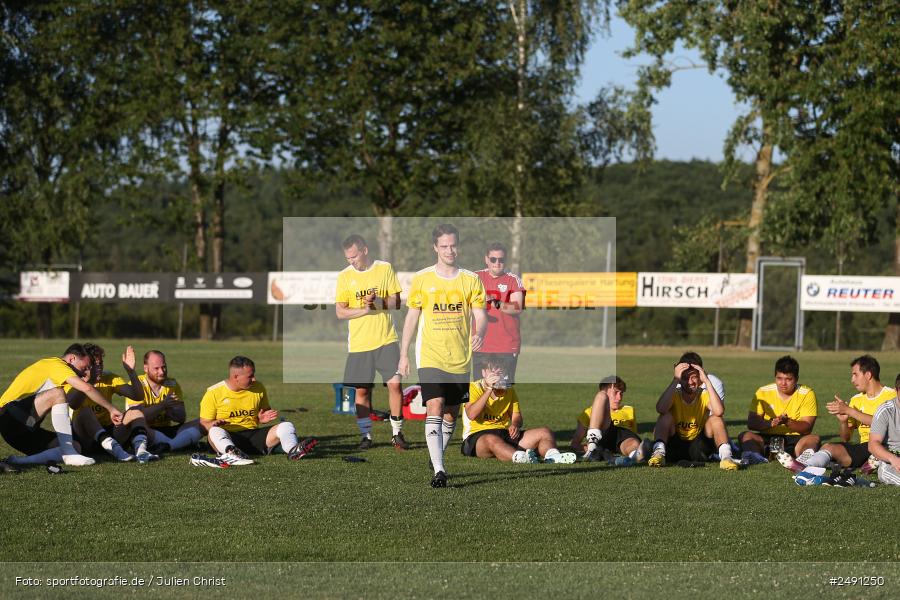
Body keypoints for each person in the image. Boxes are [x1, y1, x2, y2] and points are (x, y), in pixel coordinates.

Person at [398, 223, 488, 488]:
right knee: (434, 404)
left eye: (453, 245)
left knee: (451, 413)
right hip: (430, 356)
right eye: (444, 246)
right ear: (435, 247)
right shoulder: (423, 278)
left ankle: (436, 454)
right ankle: (439, 469)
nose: (450, 250)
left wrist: (479, 331)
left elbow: (480, 315)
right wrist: (403, 354)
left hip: (460, 358)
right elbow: (412, 318)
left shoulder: (471, 279)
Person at [335, 234, 408, 450]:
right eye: (348, 258)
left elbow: (397, 302)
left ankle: (397, 433)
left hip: (386, 339)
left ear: (364, 250)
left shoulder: (384, 268)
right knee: (362, 391)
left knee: (395, 385)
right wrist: (365, 309)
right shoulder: (344, 276)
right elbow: (340, 311)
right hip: (359, 344)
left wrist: (378, 302)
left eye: (354, 256)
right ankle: (366, 436)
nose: (352, 261)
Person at [1, 343, 123, 467]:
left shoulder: (60, 374)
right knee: (57, 394)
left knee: (76, 446)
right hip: (9, 417)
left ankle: (19, 461)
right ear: (72, 359)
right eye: (85, 367)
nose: (86, 372)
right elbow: (87, 389)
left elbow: (72, 401)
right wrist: (111, 409)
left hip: (22, 432)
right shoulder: (56, 365)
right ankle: (68, 453)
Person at [199, 356, 318, 465]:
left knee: (287, 426)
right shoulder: (213, 393)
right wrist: (212, 424)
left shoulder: (258, 387)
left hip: (253, 436)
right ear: (236, 377)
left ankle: (293, 450)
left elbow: (265, 411)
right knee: (214, 431)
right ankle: (231, 452)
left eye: (253, 374)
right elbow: (203, 425)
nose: (254, 379)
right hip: (228, 436)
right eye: (250, 376)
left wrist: (261, 418)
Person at [796, 355, 895, 483]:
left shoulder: (891, 395)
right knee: (829, 447)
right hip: (865, 447)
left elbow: (883, 423)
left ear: (868, 375)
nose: (852, 380)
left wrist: (849, 410)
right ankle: (805, 466)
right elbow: (846, 438)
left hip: (886, 444)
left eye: (855, 374)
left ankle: (876, 461)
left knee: (880, 447)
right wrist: (843, 421)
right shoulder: (856, 400)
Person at [461, 359, 575, 463]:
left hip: (503, 433)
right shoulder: (472, 387)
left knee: (544, 432)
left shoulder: (509, 390)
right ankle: (521, 458)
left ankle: (554, 456)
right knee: (491, 439)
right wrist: (489, 389)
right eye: (494, 373)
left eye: (501, 373)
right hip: (476, 437)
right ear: (484, 373)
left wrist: (515, 425)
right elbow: (471, 414)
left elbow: (517, 416)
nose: (498, 377)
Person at [647, 351, 740, 471]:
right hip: (676, 445)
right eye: (685, 378)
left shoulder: (704, 395)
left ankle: (727, 457)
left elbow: (719, 411)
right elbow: (660, 408)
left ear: (700, 376)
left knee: (716, 419)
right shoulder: (675, 395)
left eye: (693, 377)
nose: (690, 382)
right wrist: (675, 379)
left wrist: (706, 381)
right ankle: (658, 453)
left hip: (698, 447)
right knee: (664, 416)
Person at [738, 355, 819, 466]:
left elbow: (807, 427)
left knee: (813, 439)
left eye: (788, 379)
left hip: (794, 439)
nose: (783, 383)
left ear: (797, 378)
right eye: (779, 378)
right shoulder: (762, 392)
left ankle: (801, 460)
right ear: (775, 376)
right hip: (767, 437)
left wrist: (787, 422)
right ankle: (756, 456)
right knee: (745, 435)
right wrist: (770, 423)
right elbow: (752, 423)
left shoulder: (807, 393)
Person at [70, 343, 144, 462]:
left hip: (108, 432)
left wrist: (131, 372)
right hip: (85, 436)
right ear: (86, 364)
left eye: (101, 364)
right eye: (95, 364)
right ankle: (117, 451)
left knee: (136, 412)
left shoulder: (108, 378)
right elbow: (72, 404)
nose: (100, 368)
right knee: (85, 413)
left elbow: (138, 396)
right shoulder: (75, 379)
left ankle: (142, 452)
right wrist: (88, 382)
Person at [126, 350, 203, 455]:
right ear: (145, 368)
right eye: (156, 368)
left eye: (164, 367)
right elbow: (138, 417)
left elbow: (181, 418)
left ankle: (169, 445)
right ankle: (180, 443)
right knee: (138, 425)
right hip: (146, 431)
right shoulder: (136, 384)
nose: (162, 372)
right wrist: (163, 405)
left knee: (204, 422)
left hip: (167, 430)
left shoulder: (172, 384)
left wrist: (172, 411)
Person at [473, 243, 525, 382]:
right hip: (480, 345)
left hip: (506, 346)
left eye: (501, 260)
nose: (497, 263)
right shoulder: (475, 277)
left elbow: (517, 307)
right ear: (486, 259)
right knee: (480, 391)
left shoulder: (513, 280)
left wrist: (493, 301)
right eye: (493, 259)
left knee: (503, 391)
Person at [572, 375, 646, 465]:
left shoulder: (628, 410)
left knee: (633, 442)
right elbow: (575, 444)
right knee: (601, 396)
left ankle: (634, 456)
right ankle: (593, 448)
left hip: (622, 436)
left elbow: (632, 433)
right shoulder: (589, 412)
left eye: (621, 393)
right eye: (615, 392)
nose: (619, 398)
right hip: (602, 436)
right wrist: (587, 447)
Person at [867, 374, 900, 486]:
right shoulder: (885, 411)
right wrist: (893, 459)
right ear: (896, 390)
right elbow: (872, 444)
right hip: (891, 462)